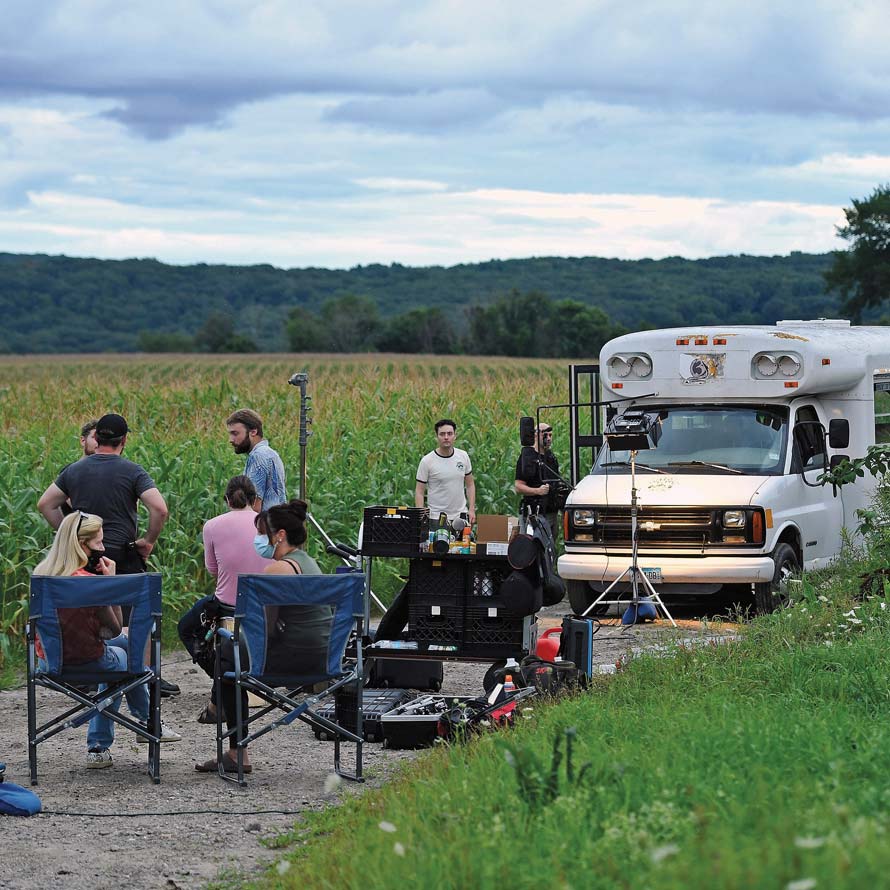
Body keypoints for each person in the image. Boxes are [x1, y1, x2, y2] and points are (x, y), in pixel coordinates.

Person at [36, 412, 179, 697]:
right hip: (122, 553)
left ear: (97, 438)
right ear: (124, 440)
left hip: (84, 550)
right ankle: (143, 677)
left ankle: (90, 672)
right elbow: (160, 509)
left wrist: (70, 535)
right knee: (140, 614)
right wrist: (148, 540)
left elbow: (45, 504)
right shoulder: (133, 471)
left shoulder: (74, 470)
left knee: (86, 612)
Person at [32, 511, 180, 770]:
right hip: (88, 662)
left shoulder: (42, 576)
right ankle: (147, 722)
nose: (102, 548)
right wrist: (109, 584)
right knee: (127, 659)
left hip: (50, 664)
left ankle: (100, 748)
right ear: (81, 544)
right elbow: (112, 630)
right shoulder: (90, 584)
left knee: (122, 650)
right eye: (98, 543)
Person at [195, 499, 326, 775]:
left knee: (227, 654)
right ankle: (221, 717)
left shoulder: (276, 571)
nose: (257, 540)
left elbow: (261, 630)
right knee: (231, 655)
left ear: (279, 536)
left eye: (261, 534)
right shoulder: (310, 564)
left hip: (293, 660)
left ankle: (236, 751)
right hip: (324, 659)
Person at [177, 475, 272, 723]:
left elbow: (213, 570)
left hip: (227, 605)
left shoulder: (212, 525)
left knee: (187, 628)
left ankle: (222, 687)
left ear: (227, 499)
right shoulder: (269, 524)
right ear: (255, 501)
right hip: (264, 605)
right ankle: (222, 691)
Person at [414, 418, 476, 525]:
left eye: (449, 434)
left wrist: (471, 509)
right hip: (436, 517)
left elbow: (470, 484)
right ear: (437, 437)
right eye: (442, 434)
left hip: (460, 516)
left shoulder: (463, 456)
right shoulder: (427, 461)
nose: (446, 437)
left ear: (455, 436)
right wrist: (421, 516)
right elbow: (419, 491)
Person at [226, 408, 287, 512]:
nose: (230, 440)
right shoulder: (271, 453)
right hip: (277, 522)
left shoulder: (258, 456)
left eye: (235, 433)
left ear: (253, 432)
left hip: (263, 525)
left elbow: (253, 506)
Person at [514, 423, 561, 540]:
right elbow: (518, 486)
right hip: (534, 513)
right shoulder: (527, 458)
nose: (549, 438)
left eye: (551, 435)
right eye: (546, 435)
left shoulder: (551, 457)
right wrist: (537, 491)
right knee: (534, 547)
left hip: (551, 512)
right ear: (536, 435)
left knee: (549, 549)